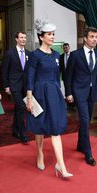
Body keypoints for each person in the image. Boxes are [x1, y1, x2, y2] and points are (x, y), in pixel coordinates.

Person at [26, 19, 73, 178]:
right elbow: (30, 78)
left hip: (53, 92)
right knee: (39, 125)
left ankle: (61, 164)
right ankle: (39, 153)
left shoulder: (55, 55)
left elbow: (57, 76)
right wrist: (30, 98)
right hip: (39, 92)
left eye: (53, 34)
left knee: (55, 127)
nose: (52, 37)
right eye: (49, 34)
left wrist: (62, 93)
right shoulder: (34, 55)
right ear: (41, 37)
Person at [65, 27, 97, 166]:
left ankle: (80, 144)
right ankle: (88, 152)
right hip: (79, 92)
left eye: (96, 37)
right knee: (84, 120)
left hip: (92, 92)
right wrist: (68, 93)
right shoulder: (75, 55)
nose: (94, 39)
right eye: (91, 36)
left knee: (87, 120)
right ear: (85, 38)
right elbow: (68, 76)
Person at [2, 31, 31, 143]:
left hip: (25, 85)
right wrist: (6, 86)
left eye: (25, 37)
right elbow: (5, 71)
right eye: (21, 37)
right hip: (14, 85)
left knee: (18, 108)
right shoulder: (10, 53)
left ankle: (15, 130)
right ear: (16, 39)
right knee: (21, 107)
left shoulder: (29, 53)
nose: (23, 39)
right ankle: (22, 133)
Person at [59, 43, 75, 111]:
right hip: (65, 77)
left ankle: (74, 105)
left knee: (73, 90)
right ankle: (69, 105)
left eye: (67, 47)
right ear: (63, 49)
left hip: (73, 77)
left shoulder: (73, 55)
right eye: (64, 48)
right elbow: (60, 68)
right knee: (67, 91)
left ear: (69, 48)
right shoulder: (61, 56)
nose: (66, 49)